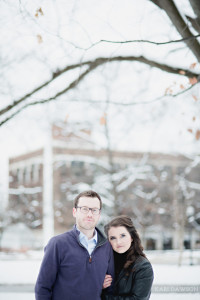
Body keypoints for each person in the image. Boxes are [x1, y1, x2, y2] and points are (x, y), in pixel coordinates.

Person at [35, 190, 114, 300]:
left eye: (94, 210)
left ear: (99, 214)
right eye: (85, 209)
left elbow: (109, 289)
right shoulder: (57, 244)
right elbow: (43, 287)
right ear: (74, 212)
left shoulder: (107, 247)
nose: (90, 214)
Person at [102, 215, 154, 300]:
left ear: (131, 237)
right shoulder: (104, 263)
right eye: (113, 238)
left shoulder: (143, 266)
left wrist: (102, 297)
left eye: (123, 235)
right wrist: (99, 286)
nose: (118, 242)